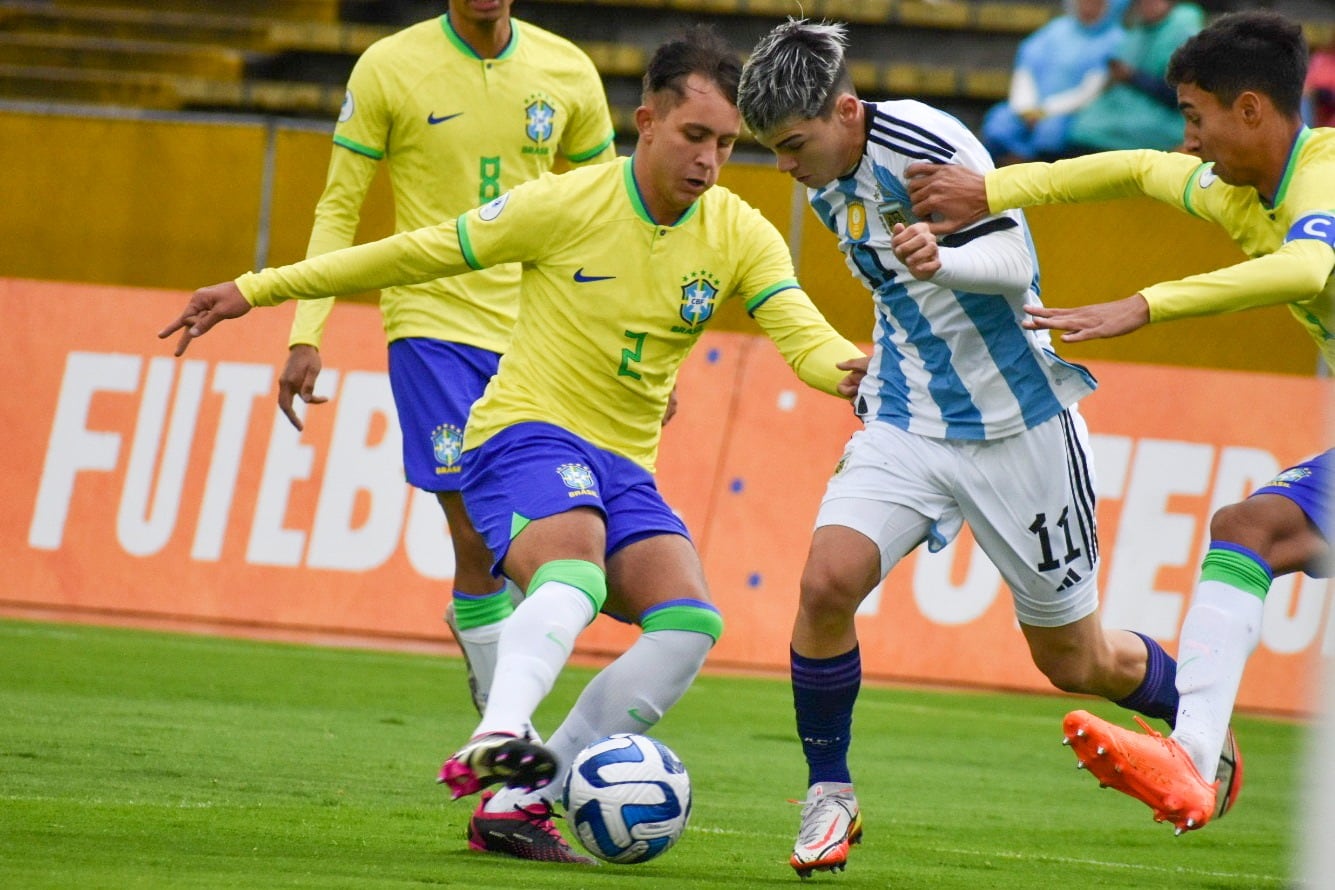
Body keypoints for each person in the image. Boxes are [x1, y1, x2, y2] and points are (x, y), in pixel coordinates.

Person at [161, 26, 867, 866]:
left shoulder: (738, 232)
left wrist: (852, 373)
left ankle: (520, 795)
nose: (709, 160)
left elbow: (800, 332)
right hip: (523, 432)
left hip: (624, 462)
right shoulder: (565, 204)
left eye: (723, 143)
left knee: (688, 622)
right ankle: (500, 730)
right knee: (573, 570)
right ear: (645, 121)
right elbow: (412, 251)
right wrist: (255, 290)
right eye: (692, 136)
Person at [737, 19, 1190, 878]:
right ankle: (828, 795)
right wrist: (888, 355)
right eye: (774, 150)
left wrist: (942, 265)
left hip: (1017, 423)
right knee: (825, 583)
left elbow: (1017, 260)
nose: (786, 167)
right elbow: (889, 280)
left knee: (1074, 660)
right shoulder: (826, 169)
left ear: (842, 110)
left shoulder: (924, 143)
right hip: (910, 418)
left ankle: (1196, 711)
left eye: (793, 146)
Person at [906, 9, 1335, 834]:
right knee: (1249, 527)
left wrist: (1144, 305)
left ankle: (1194, 751)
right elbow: (1133, 170)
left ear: (1250, 110)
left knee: (1251, 525)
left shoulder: (1321, 175)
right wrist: (989, 188)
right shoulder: (1239, 189)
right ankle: (1193, 755)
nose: (1189, 141)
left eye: (1194, 115)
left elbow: (1308, 265)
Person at [275, 0, 618, 720]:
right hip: (432, 323)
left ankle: (486, 643)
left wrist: (614, 338)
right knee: (473, 526)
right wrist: (307, 330)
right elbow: (340, 206)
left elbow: (606, 215)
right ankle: (506, 730)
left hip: (538, 326)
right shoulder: (390, 67)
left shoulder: (567, 71)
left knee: (536, 536)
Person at [981, 0, 1123, 165]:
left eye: (1095, 4)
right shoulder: (1055, 30)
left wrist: (1047, 111)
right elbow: (1027, 67)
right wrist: (1026, 107)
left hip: (1070, 113)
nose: (1088, 7)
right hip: (1032, 108)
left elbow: (1090, 90)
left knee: (1051, 136)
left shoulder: (1114, 40)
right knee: (999, 124)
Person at [1066, 0, 1204, 153]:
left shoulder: (1182, 31)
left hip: (1162, 118)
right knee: (1081, 127)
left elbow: (1181, 93)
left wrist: (1132, 77)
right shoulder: (1136, 33)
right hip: (1118, 114)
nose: (1147, 5)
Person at [1302, 33, 1335, 128]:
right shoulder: (1320, 58)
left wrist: (1322, 92)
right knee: (1303, 98)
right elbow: (1308, 85)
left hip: (1328, 102)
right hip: (1316, 106)